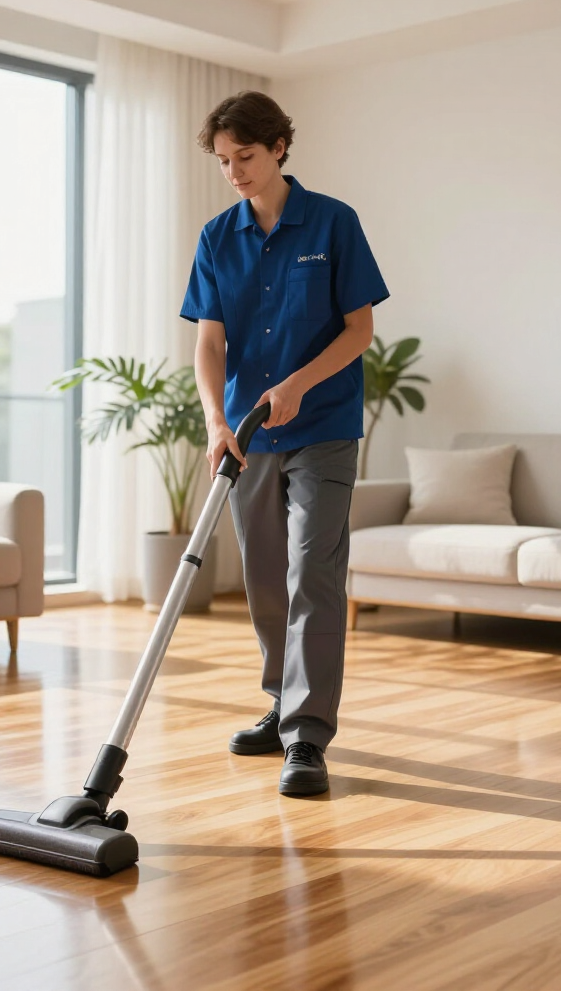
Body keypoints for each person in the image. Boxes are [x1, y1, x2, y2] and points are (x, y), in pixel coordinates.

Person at [180, 91, 389, 796]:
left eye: (245, 157)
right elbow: (210, 342)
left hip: (323, 426)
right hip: (248, 437)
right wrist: (215, 422)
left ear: (278, 149)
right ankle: (280, 702)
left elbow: (359, 330)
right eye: (222, 161)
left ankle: (306, 736)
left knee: (312, 572)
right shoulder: (216, 237)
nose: (234, 171)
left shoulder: (333, 222)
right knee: (265, 578)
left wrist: (299, 382)